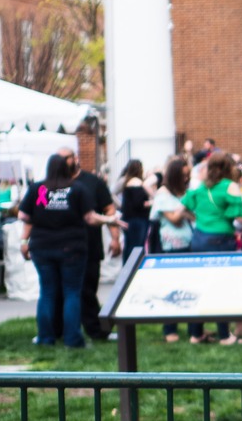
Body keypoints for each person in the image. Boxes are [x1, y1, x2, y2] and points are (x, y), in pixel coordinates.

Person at [18, 154, 116, 348]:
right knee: (72, 293)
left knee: (47, 293)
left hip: (42, 247)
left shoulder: (38, 188)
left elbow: (23, 215)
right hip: (71, 247)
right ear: (66, 168)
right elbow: (89, 218)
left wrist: (24, 241)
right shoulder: (77, 189)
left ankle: (46, 338)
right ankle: (73, 339)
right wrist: (109, 220)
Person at [180, 151, 242, 345]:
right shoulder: (230, 187)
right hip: (221, 240)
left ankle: (196, 333)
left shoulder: (201, 187)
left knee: (199, 286)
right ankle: (225, 335)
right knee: (221, 286)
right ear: (228, 168)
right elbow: (241, 218)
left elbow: (183, 207)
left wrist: (199, 220)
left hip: (199, 238)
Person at [56, 146, 122, 341]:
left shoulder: (93, 183)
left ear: (75, 158)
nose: (63, 163)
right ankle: (59, 331)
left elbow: (109, 210)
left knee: (88, 291)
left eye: (66, 158)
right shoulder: (54, 184)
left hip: (90, 246)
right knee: (60, 292)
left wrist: (115, 238)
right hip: (62, 247)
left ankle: (97, 330)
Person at [150, 156, 195, 342]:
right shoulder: (163, 194)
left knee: (190, 288)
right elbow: (174, 219)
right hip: (170, 247)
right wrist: (184, 210)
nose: (186, 179)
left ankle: (195, 330)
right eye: (183, 175)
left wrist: (184, 211)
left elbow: (193, 216)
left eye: (188, 175)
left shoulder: (184, 192)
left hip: (188, 244)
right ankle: (170, 330)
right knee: (171, 287)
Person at [117, 159, 152, 258]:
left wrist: (121, 205)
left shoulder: (125, 181)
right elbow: (139, 204)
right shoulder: (138, 183)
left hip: (128, 218)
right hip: (139, 219)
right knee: (137, 247)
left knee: (128, 246)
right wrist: (151, 203)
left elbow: (112, 193)